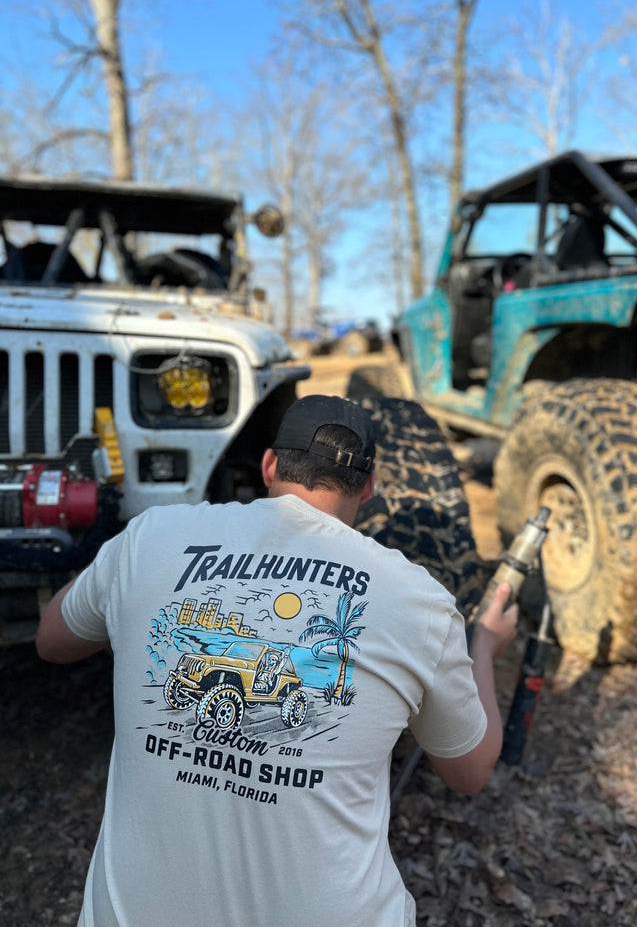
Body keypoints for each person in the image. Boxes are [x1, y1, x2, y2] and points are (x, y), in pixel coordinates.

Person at [36, 394, 517, 927]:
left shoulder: (148, 537)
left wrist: (121, 581)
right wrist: (485, 646)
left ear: (270, 465)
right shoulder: (419, 601)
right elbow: (470, 771)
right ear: (369, 488)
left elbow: (52, 641)